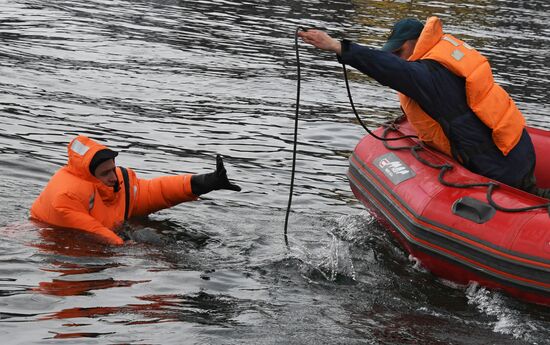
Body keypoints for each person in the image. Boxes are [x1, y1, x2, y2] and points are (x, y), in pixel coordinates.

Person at [298, 16, 550, 198]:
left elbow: (389, 69)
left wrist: (336, 46)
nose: (397, 57)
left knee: (523, 196)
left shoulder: (428, 74)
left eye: (399, 51)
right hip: (518, 150)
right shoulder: (447, 55)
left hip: (498, 165)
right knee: (530, 191)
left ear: (414, 42)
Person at [30, 135, 241, 245]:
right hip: (60, 245)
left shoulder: (118, 183)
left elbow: (157, 191)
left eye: (113, 169)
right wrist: (127, 249)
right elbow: (93, 231)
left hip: (113, 235)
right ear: (91, 177)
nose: (114, 177)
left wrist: (206, 182)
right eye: (106, 174)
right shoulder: (66, 196)